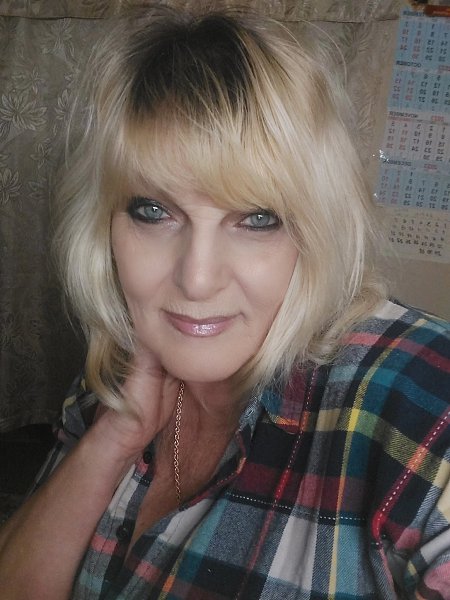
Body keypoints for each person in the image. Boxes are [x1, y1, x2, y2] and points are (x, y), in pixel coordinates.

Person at [0, 5, 449, 599]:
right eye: (153, 211)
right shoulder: (117, 373)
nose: (197, 280)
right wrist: (112, 439)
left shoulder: (416, 393)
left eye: (257, 218)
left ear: (316, 230)